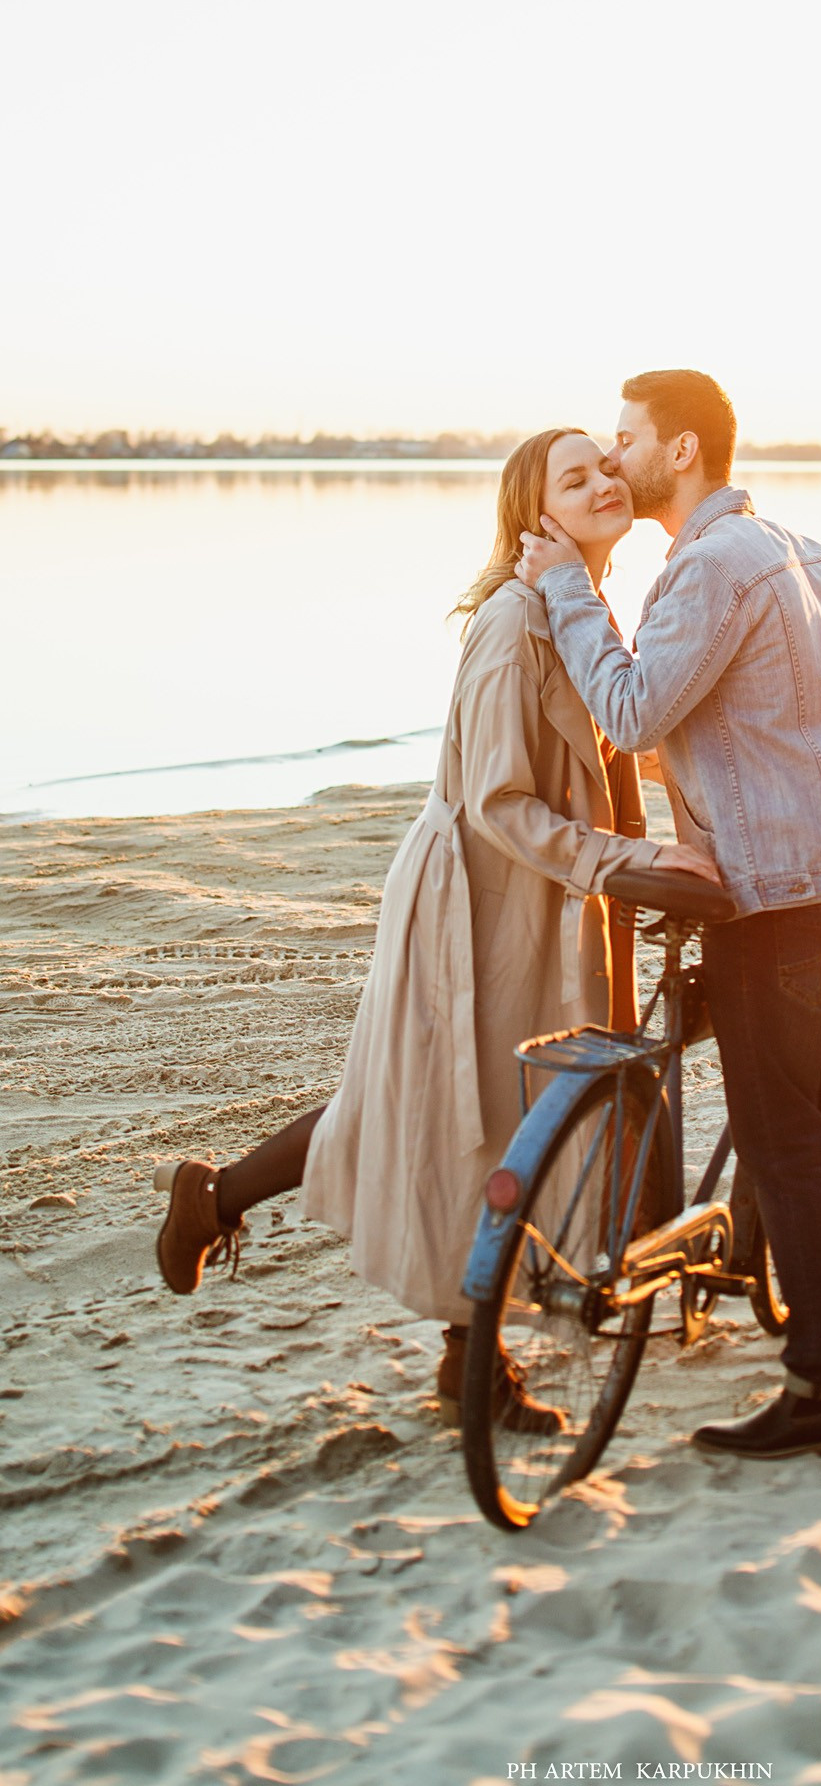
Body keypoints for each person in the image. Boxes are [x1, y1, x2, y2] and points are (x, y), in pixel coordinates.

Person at [152, 427, 720, 1429]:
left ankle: (452, 1340)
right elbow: (498, 803)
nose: (599, 483)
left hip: (545, 894)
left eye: (601, 466)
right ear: (530, 513)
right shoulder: (513, 624)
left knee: (469, 1108)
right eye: (571, 476)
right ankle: (244, 1212)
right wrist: (622, 862)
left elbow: (602, 745)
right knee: (464, 1113)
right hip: (482, 897)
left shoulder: (572, 602)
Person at [515, 369, 821, 1462]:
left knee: (782, 1133)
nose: (611, 459)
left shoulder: (707, 571)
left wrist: (571, 589)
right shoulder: (804, 551)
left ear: (679, 453)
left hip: (774, 895)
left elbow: (625, 708)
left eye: (623, 439)